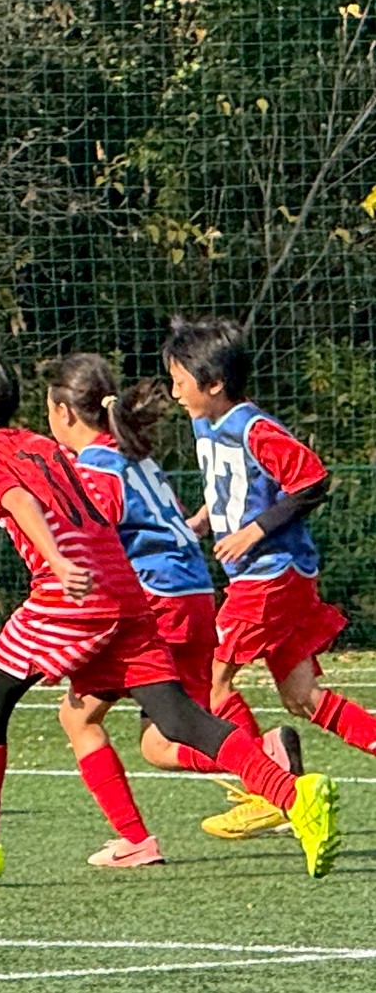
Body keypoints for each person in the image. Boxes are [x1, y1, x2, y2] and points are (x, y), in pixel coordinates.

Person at [0, 346, 334, 884]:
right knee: (175, 716)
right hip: (126, 589)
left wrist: (58, 562)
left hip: (71, 592)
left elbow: (19, 501)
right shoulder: (39, 444)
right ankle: (292, 796)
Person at [42, 353, 283, 868]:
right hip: (193, 593)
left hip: (155, 602)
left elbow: (97, 547)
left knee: (78, 715)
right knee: (163, 740)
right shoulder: (131, 454)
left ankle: (140, 836)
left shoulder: (96, 467)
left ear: (63, 412)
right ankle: (265, 765)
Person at [165, 314, 376, 838]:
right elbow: (231, 487)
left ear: (214, 383)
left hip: (271, 575)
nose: (174, 393)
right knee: (302, 697)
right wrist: (203, 519)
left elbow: (312, 481)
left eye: (180, 381)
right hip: (270, 577)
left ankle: (269, 791)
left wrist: (252, 532)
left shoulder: (254, 428)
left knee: (211, 681)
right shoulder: (205, 423)